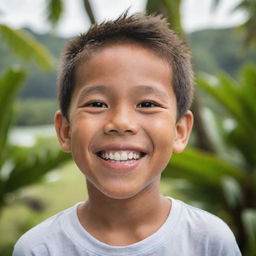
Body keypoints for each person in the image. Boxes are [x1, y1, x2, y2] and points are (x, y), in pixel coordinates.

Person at [13, 13, 241, 256]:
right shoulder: (39, 249)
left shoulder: (209, 240)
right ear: (65, 130)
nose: (121, 122)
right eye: (98, 104)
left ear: (180, 131)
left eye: (147, 104)